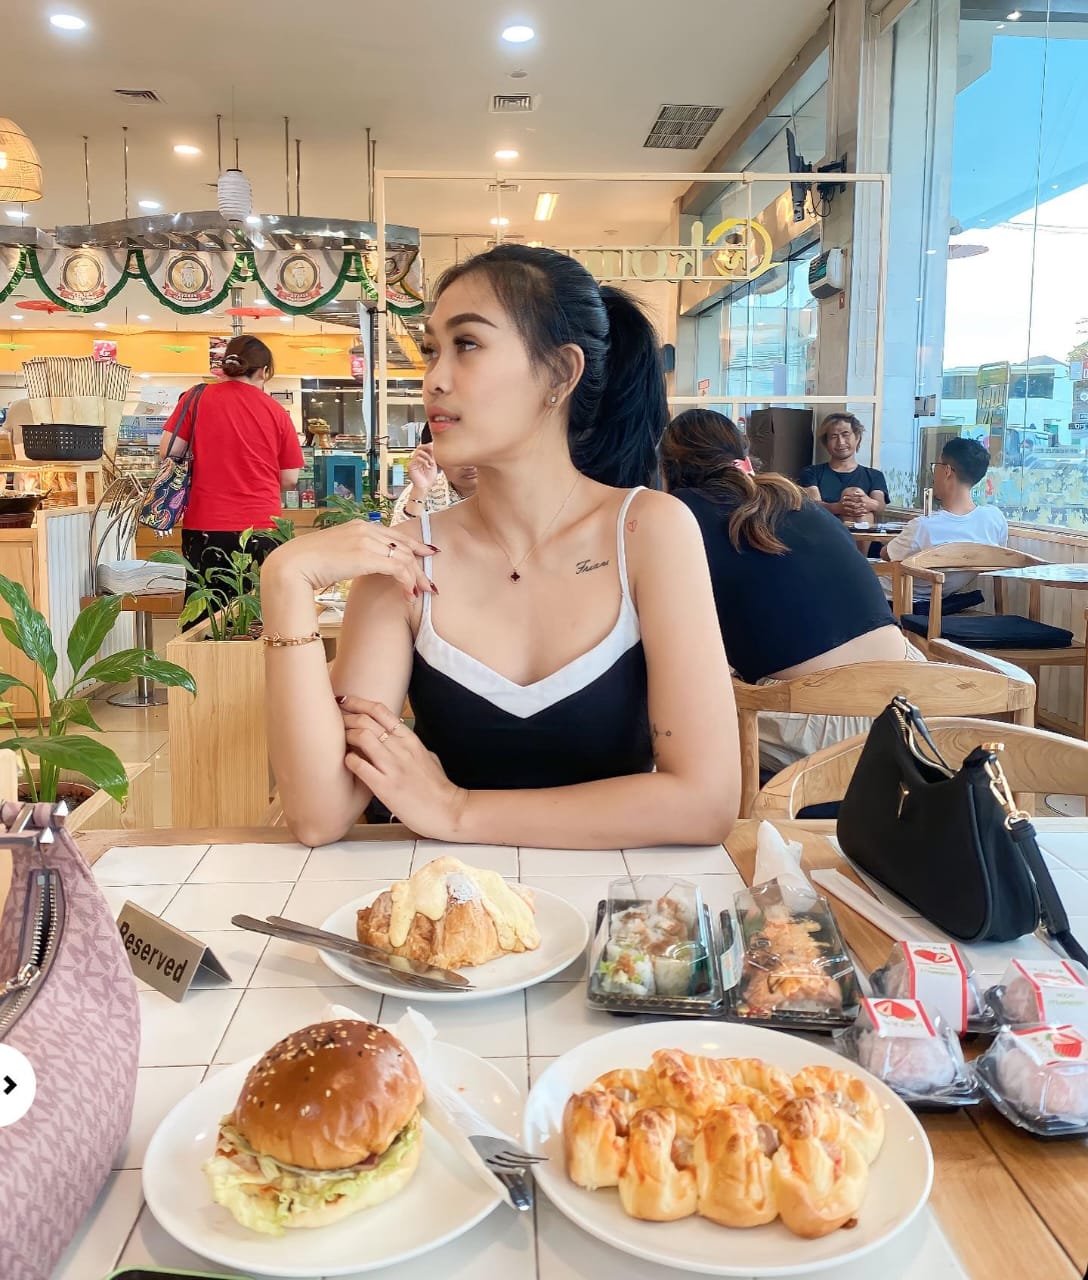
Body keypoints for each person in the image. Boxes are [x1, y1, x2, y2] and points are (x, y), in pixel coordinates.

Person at [261, 243, 740, 849]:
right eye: (432, 350)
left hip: (613, 904)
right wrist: (285, 580)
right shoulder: (405, 558)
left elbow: (706, 802)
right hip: (443, 901)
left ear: (560, 373)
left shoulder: (648, 531)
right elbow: (320, 814)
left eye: (467, 344)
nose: (434, 379)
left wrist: (459, 810)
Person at [661, 408, 920, 770]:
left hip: (822, 721)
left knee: (665, 709)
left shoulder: (679, 514)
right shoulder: (793, 498)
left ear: (668, 467)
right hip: (915, 696)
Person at [159, 334, 303, 599]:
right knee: (260, 610)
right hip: (262, 525)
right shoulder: (276, 412)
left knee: (207, 609)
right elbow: (290, 478)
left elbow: (169, 450)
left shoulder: (196, 397)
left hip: (205, 523)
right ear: (263, 371)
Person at [882, 437, 1008, 599]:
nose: (933, 473)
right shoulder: (995, 519)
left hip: (891, 600)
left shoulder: (923, 527)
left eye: (936, 466)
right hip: (943, 602)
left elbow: (886, 555)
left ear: (947, 471)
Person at [800, 412, 888, 523]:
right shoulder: (811, 472)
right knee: (850, 493)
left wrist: (865, 502)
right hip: (825, 531)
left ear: (857, 438)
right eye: (834, 436)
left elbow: (879, 505)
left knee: (856, 495)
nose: (840, 442)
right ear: (826, 442)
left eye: (845, 435)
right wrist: (839, 507)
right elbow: (813, 506)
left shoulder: (874, 475)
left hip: (865, 529)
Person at [390, 425, 478, 524]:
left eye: (474, 452)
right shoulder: (424, 489)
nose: (468, 465)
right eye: (455, 455)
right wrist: (420, 491)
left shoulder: (493, 492)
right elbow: (398, 533)